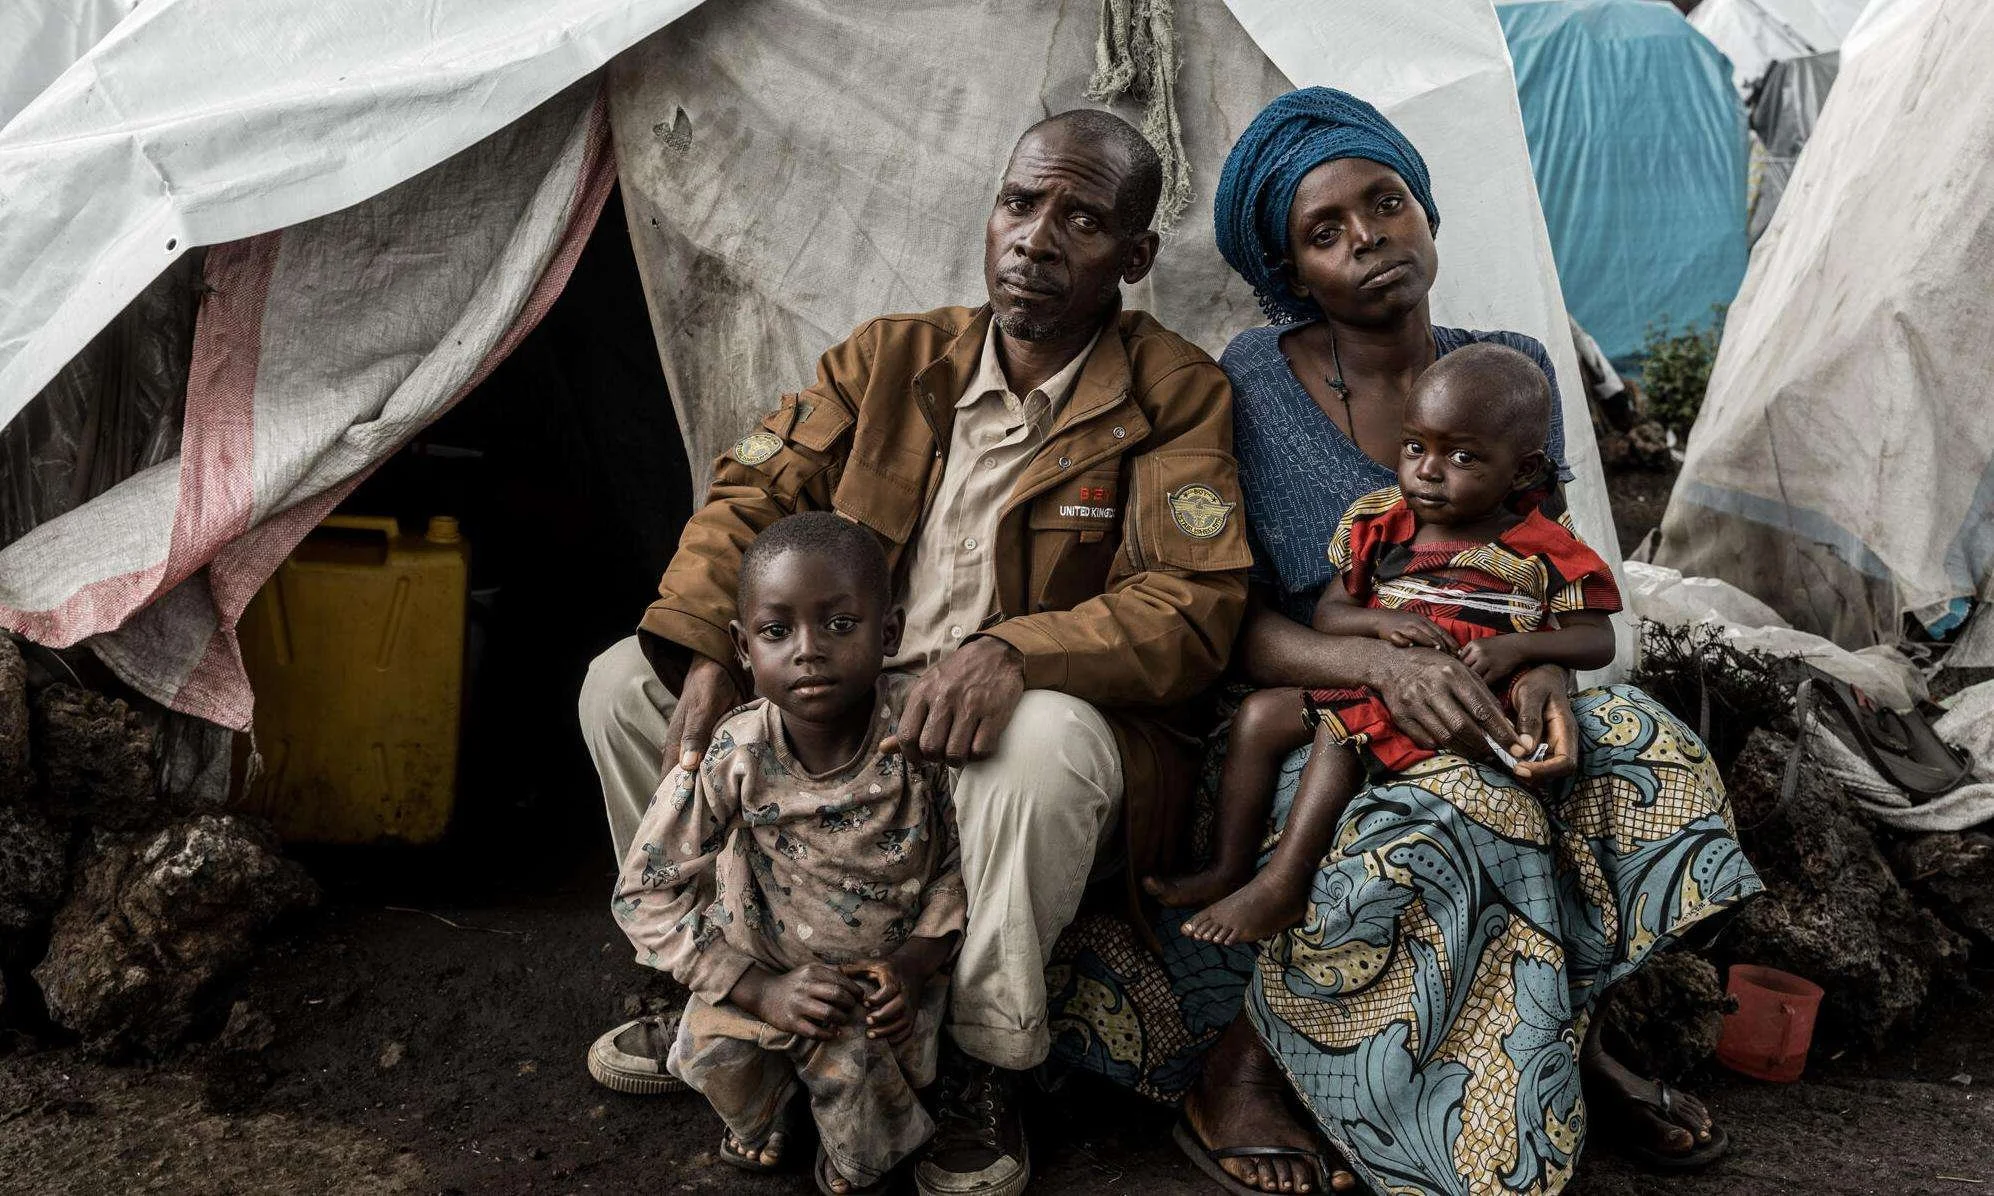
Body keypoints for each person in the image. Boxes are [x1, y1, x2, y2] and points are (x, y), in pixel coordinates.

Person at [1043, 88, 1760, 1196]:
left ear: (1424, 210)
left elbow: (1540, 564)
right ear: (1291, 270)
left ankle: (1570, 1045)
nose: (1366, 236)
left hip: (1484, 683)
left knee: (1637, 744)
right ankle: (1248, 1064)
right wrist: (1385, 664)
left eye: (1384, 204)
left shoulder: (1508, 364)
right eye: (1322, 231)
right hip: (1313, 716)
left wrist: (1541, 681)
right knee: (1458, 808)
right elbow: (1232, 624)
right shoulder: (1251, 382)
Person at [579, 107, 1252, 1196]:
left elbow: (1192, 603)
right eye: (1019, 203)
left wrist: (1015, 651)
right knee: (622, 687)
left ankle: (989, 1060)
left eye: (1079, 219)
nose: (1034, 237)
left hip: (991, 726)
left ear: (1133, 258)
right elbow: (752, 495)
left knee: (1037, 739)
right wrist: (708, 649)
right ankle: (718, 989)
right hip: (840, 697)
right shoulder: (887, 358)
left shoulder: (1173, 391)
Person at [1149, 344, 1622, 948]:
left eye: (1462, 457)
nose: (1427, 470)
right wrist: (1377, 629)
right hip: (1374, 675)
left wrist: (1521, 651)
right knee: (1259, 715)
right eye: (1414, 447)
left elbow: (1597, 638)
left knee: (1340, 728)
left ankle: (1286, 883)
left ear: (1523, 471)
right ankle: (1227, 866)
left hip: (1470, 696)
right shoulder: (1383, 523)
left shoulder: (1543, 547)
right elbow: (1330, 613)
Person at [612, 513, 961, 1195]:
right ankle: (771, 1110)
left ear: (888, 633)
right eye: (777, 632)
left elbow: (957, 866)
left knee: (862, 1133)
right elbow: (643, 890)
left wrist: (915, 965)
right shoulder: (737, 751)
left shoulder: (915, 738)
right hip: (761, 979)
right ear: (743, 649)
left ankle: (848, 1144)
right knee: (713, 1050)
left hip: (872, 994)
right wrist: (758, 988)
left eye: (839, 625)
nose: (808, 651)